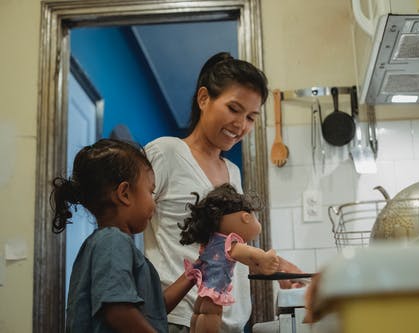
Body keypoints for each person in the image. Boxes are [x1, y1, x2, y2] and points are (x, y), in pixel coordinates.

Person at [144, 51, 303, 333]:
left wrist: (277, 266)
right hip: (181, 320)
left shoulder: (232, 171)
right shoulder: (165, 152)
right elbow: (127, 220)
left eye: (251, 117)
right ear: (204, 98)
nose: (241, 125)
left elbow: (226, 248)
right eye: (233, 109)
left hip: (230, 322)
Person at [51, 139, 194, 333]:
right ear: (124, 193)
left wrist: (194, 272)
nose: (154, 202)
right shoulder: (112, 242)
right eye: (151, 191)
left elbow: (153, 310)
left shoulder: (108, 244)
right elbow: (118, 311)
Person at [179, 183, 280, 333]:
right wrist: (265, 257)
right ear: (245, 217)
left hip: (203, 294)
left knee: (198, 316)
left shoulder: (212, 240)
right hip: (214, 294)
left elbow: (246, 260)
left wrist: (257, 264)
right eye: (255, 218)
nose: (257, 223)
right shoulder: (230, 243)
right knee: (211, 318)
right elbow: (251, 254)